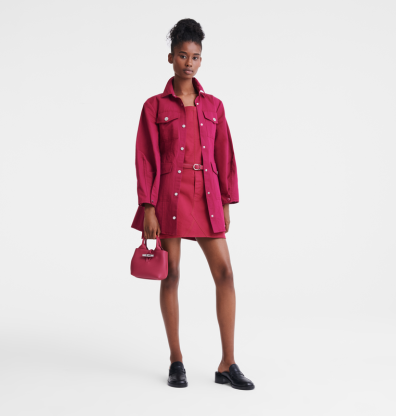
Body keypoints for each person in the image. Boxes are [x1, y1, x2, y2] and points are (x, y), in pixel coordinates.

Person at [131, 18, 255, 390]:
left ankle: (227, 363)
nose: (189, 62)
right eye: (183, 55)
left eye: (196, 56)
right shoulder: (154, 106)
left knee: (226, 274)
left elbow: (225, 154)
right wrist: (147, 206)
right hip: (169, 197)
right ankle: (176, 360)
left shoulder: (214, 106)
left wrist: (227, 201)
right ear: (171, 57)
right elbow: (145, 157)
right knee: (171, 275)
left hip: (207, 196)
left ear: (202, 59)